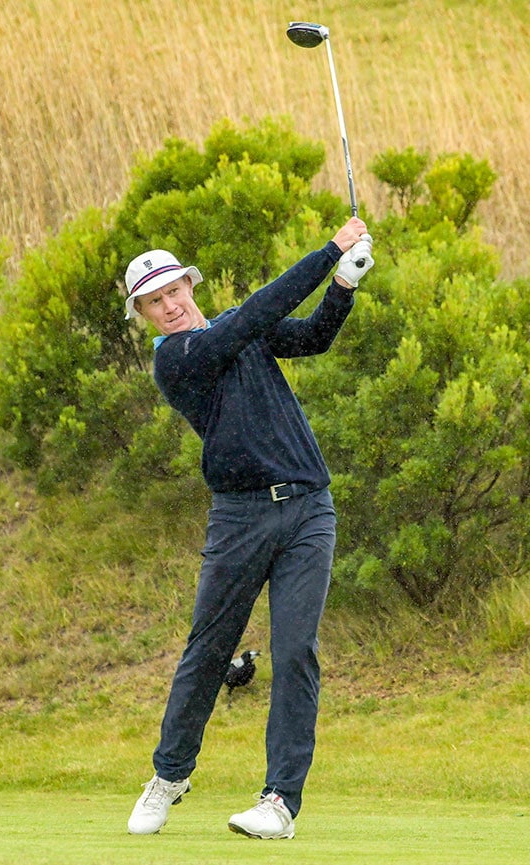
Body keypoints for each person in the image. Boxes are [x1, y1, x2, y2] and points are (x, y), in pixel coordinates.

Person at [124, 216, 374, 840]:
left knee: (295, 653)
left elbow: (313, 336)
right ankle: (170, 774)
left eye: (173, 291)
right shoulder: (177, 361)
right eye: (155, 302)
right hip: (239, 518)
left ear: (188, 285)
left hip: (309, 509)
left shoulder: (241, 331)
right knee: (207, 652)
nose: (169, 306)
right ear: (146, 316)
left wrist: (343, 285)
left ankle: (279, 804)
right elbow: (252, 316)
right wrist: (328, 252)